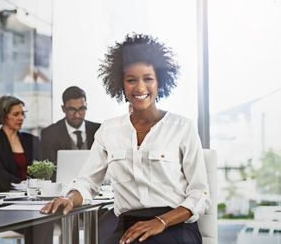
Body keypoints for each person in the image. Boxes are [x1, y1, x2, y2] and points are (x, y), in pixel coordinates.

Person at [41, 33, 211, 244]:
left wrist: (161, 221)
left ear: (160, 81)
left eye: (148, 79)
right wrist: (69, 197)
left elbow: (200, 194)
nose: (140, 88)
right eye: (131, 80)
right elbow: (87, 182)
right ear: (121, 84)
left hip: (174, 224)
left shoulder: (182, 128)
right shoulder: (109, 130)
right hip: (127, 226)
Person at [0, 95, 53, 243]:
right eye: (16, 114)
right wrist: (24, 185)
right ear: (3, 116)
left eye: (22, 113)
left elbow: (41, 170)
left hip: (31, 200)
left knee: (44, 218)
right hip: (5, 201)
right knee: (37, 222)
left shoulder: (31, 140)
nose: (21, 117)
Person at [41, 86, 101, 181]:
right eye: (72, 110)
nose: (77, 115)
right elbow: (49, 172)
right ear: (63, 109)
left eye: (81, 109)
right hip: (62, 188)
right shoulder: (50, 133)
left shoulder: (99, 130)